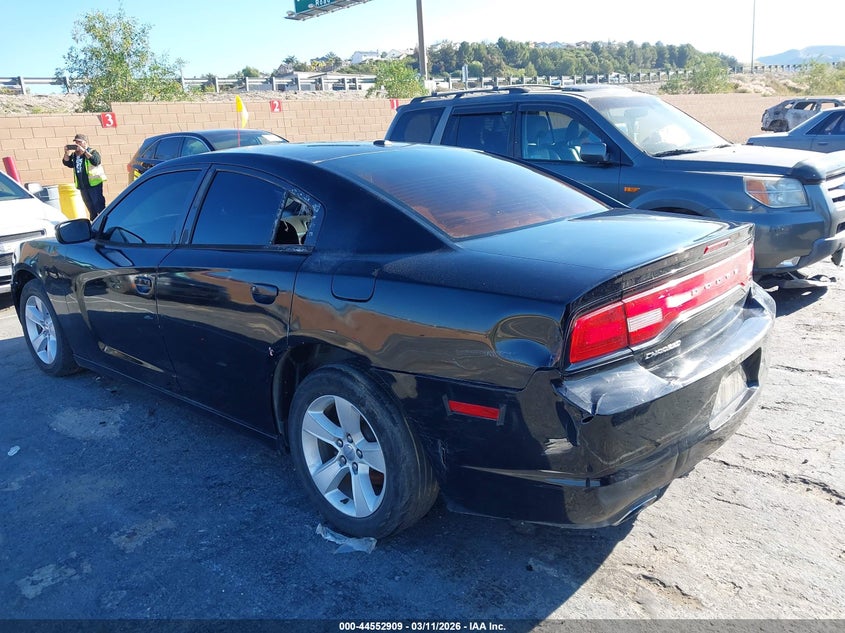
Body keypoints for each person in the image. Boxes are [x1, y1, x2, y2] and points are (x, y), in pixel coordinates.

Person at [62, 133, 106, 220]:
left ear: (85, 143)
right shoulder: (75, 155)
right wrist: (66, 153)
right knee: (90, 207)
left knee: (99, 205)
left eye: (79, 142)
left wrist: (84, 151)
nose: (77, 144)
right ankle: (94, 224)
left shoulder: (92, 151)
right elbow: (67, 163)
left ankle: (105, 222)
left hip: (94, 184)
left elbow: (96, 161)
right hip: (83, 186)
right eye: (75, 142)